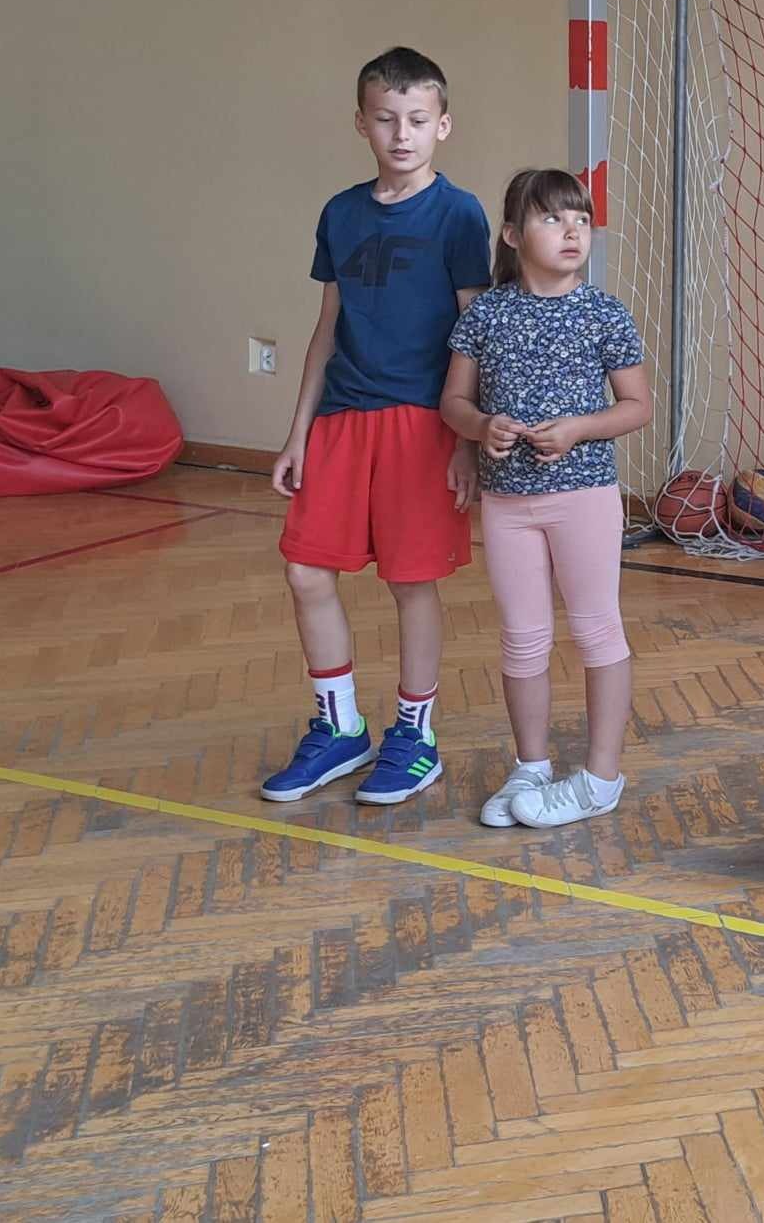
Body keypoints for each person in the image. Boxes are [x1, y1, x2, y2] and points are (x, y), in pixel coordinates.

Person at [263, 47, 491, 804]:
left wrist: (465, 440)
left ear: (442, 126)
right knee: (305, 570)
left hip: (422, 423)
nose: (402, 134)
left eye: (417, 120)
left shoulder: (459, 213)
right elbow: (326, 327)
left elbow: (473, 332)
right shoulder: (340, 213)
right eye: (387, 119)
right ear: (361, 123)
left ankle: (415, 735)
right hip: (341, 419)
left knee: (411, 581)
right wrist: (298, 433)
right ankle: (340, 728)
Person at [441, 169, 652, 829]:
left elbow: (637, 406)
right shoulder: (486, 314)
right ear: (512, 235)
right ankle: (530, 767)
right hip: (507, 506)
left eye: (581, 220)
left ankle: (600, 778)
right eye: (552, 218)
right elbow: (453, 402)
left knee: (596, 630)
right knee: (522, 639)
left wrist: (578, 429)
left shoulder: (604, 312)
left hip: (583, 497)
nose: (571, 231)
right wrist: (482, 427)